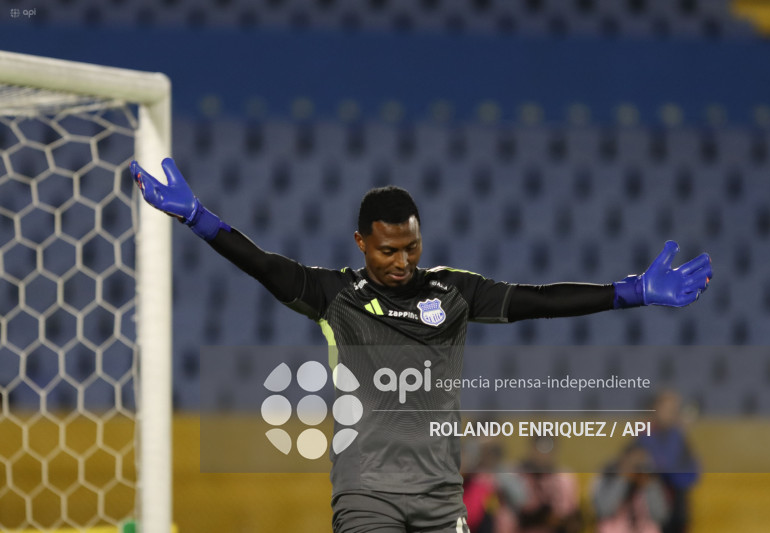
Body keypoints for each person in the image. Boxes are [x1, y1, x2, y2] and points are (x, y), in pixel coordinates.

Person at [131, 158, 713, 533]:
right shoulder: (335, 296)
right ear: (361, 243)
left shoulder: (452, 291)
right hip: (367, 496)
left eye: (411, 247)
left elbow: (537, 300)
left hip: (441, 499)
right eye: (388, 250)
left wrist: (631, 292)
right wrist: (198, 218)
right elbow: (264, 265)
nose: (402, 260)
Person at [637, 390, 700, 533]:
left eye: (674, 409)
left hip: (677, 508)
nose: (671, 413)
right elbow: (654, 465)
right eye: (667, 409)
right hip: (650, 509)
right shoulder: (645, 435)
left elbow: (692, 473)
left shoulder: (677, 436)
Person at [592, 444, 670, 533]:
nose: (637, 469)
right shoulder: (608, 476)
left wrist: (648, 483)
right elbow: (604, 510)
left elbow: (661, 516)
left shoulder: (652, 481)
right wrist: (623, 479)